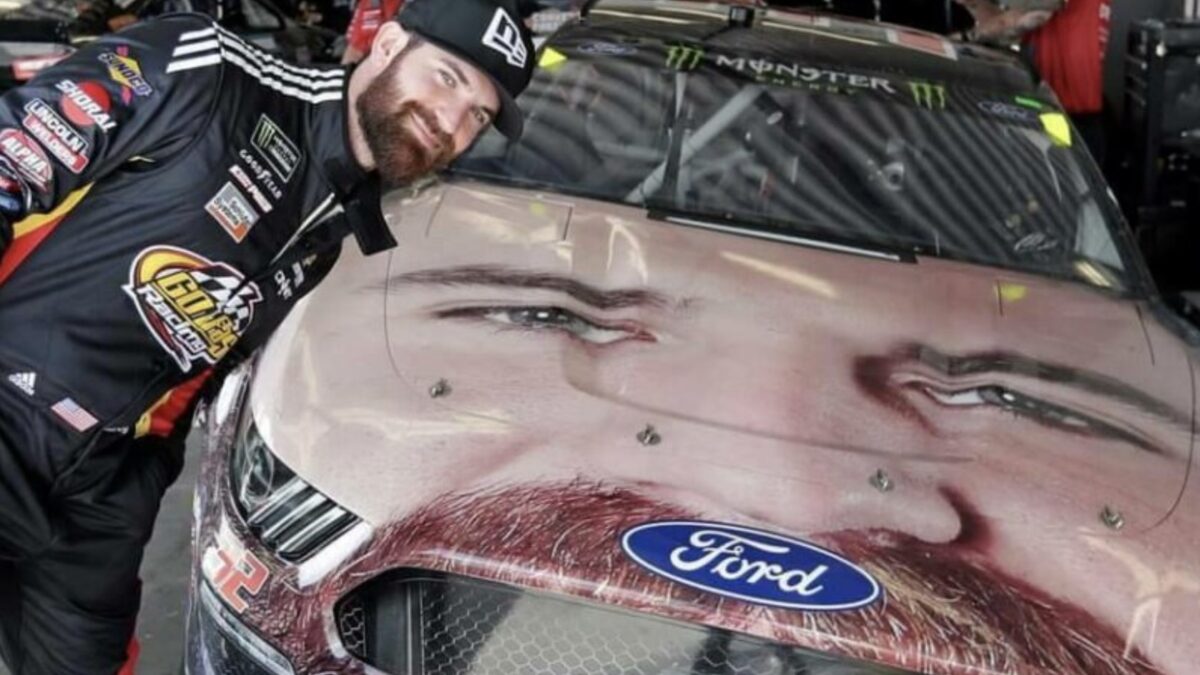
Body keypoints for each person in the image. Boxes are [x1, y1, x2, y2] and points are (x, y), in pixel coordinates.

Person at [0, 0, 534, 671]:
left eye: (479, 114)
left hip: (97, 492)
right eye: (447, 78)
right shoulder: (210, 70)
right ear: (389, 44)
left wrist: (145, 471)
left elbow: (204, 360)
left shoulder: (332, 227)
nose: (450, 122)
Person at [955, 0, 1113, 162]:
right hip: (1067, 114)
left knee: (1051, 173)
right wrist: (975, 5)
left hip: (1063, 117)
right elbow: (1006, 28)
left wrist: (964, 37)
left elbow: (1024, 17)